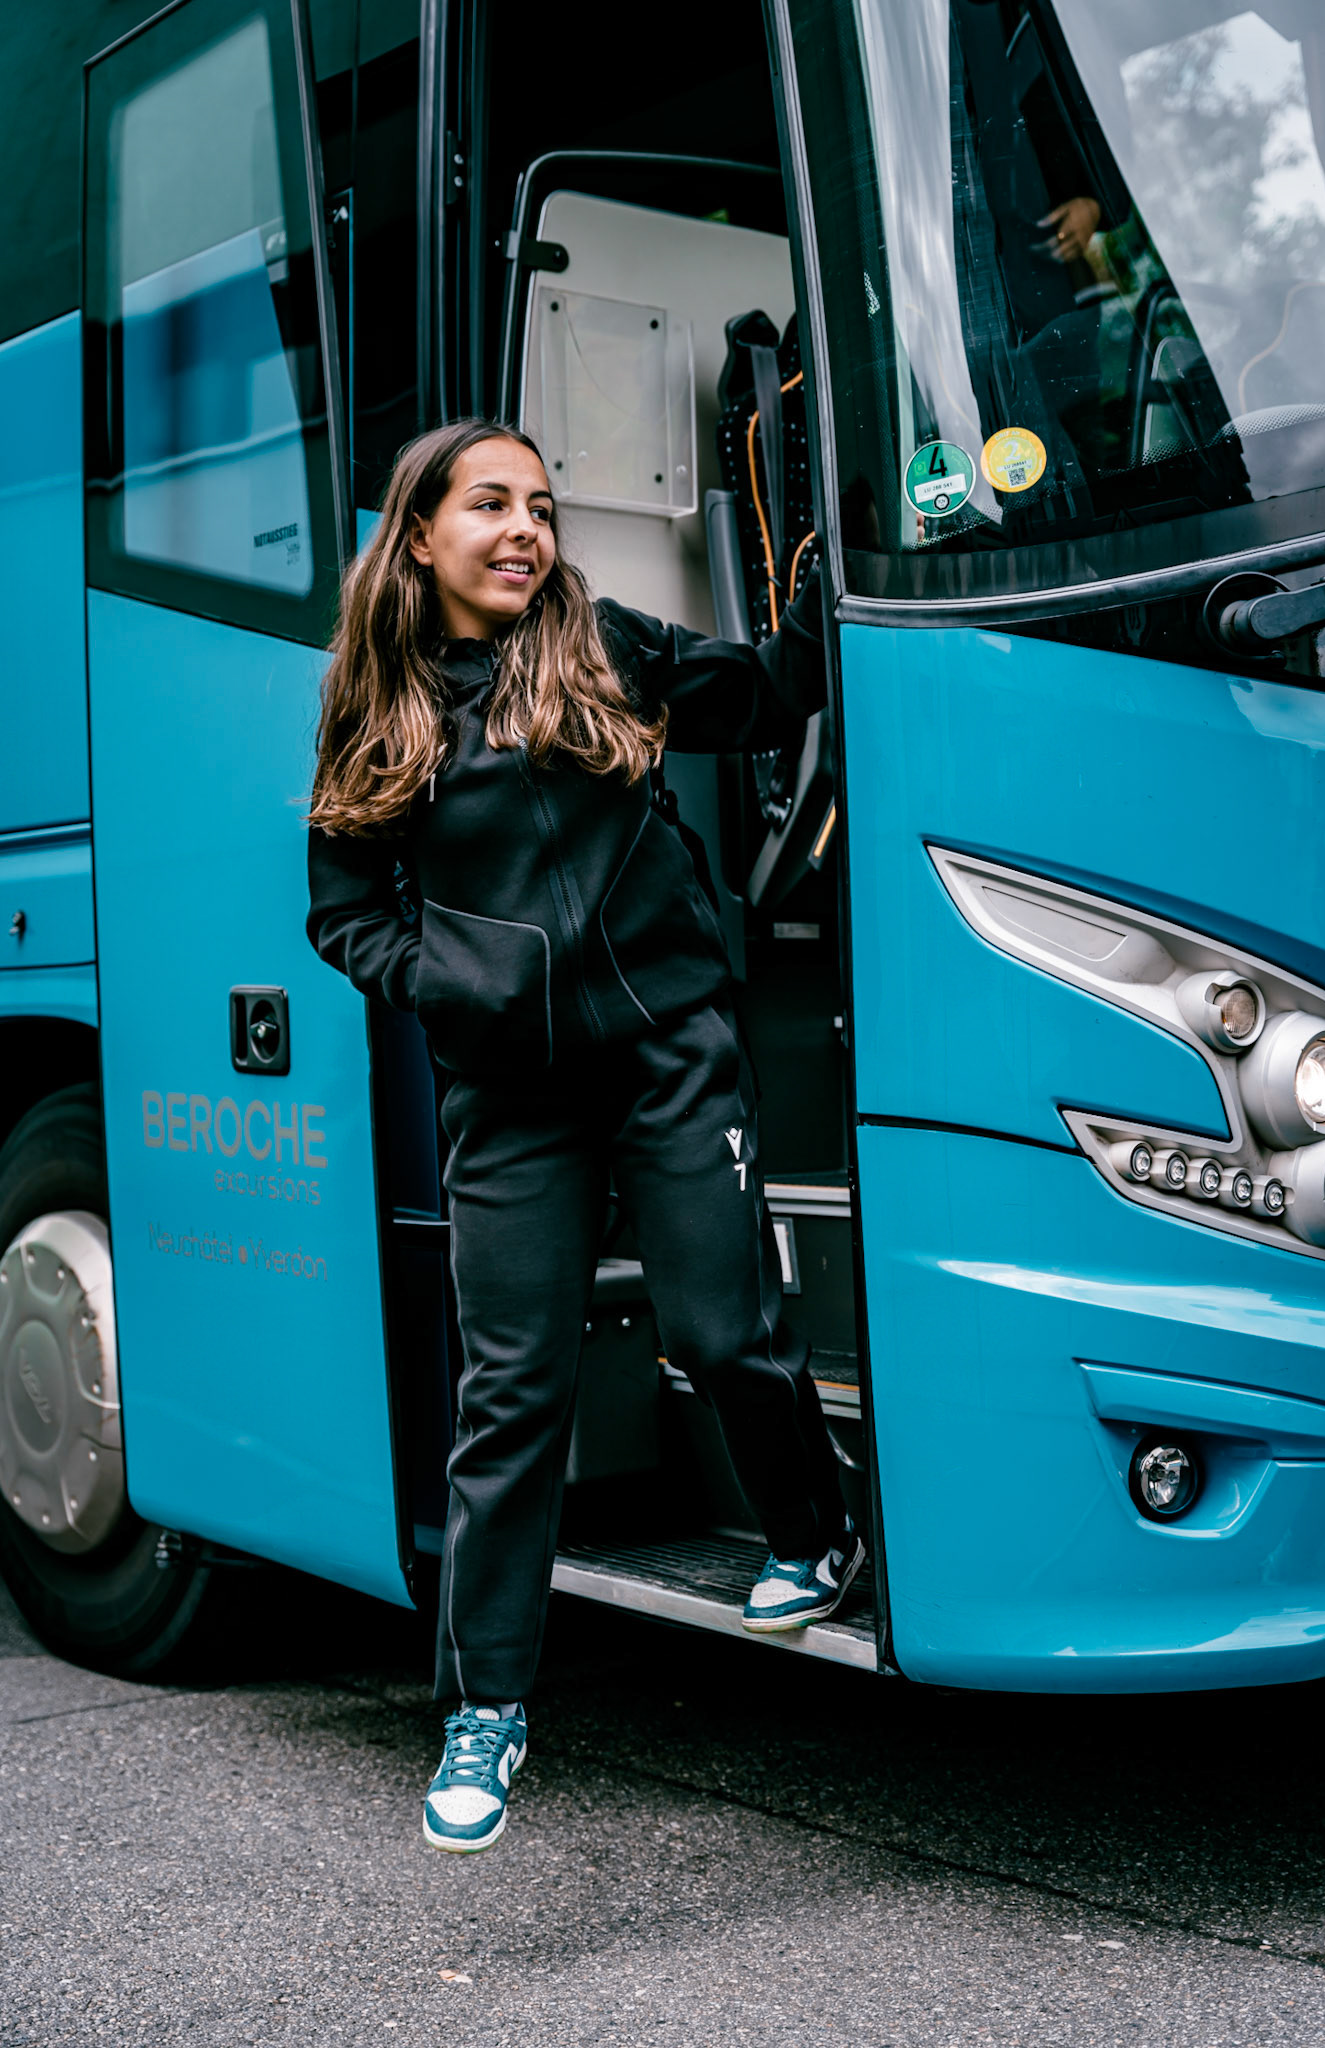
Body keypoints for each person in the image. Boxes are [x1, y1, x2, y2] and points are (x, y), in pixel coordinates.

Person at [305, 418, 860, 1856]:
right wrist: (450, 981)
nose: (523, 531)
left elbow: (774, 691)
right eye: (489, 505)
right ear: (417, 533)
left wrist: (824, 538)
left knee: (721, 1330)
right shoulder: (378, 710)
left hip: (670, 1048)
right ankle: (484, 1710)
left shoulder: (602, 645)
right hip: (509, 1096)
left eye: (541, 508)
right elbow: (343, 914)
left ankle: (815, 1533)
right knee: (511, 1396)